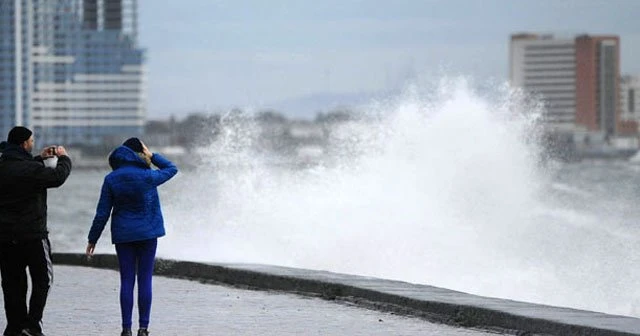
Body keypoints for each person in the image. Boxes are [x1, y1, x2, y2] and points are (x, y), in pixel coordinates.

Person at [86, 138, 177, 336]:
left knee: (126, 280)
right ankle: (143, 329)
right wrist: (152, 156)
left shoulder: (111, 179)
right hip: (148, 234)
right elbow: (172, 168)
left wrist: (92, 239)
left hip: (124, 235)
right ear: (139, 152)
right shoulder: (148, 175)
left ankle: (126, 329)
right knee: (145, 280)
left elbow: (102, 213)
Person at [0, 126, 72, 336]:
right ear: (24, 144)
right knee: (43, 279)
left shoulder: (5, 166)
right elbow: (57, 177)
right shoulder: (30, 170)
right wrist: (65, 158)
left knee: (12, 283)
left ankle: (15, 326)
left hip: (5, 237)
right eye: (31, 142)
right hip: (32, 235)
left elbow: (20, 170)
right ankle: (33, 324)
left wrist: (39, 158)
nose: (33, 144)